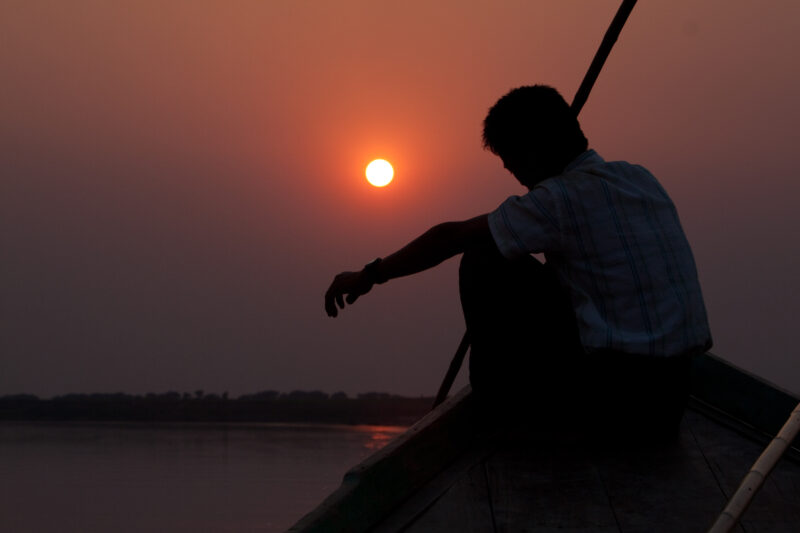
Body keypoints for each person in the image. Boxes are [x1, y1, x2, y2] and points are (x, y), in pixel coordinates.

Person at [324, 85, 711, 440]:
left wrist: (369, 275)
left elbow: (448, 237)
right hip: (673, 397)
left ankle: (496, 408)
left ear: (532, 152)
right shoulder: (640, 178)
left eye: (510, 160)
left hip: (617, 406)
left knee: (483, 257)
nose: (512, 173)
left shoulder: (556, 198)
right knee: (528, 261)